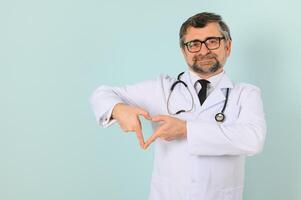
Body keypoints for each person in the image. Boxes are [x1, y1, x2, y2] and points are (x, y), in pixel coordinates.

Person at [90, 12, 267, 200]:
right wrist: (118, 109)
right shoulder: (162, 89)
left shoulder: (245, 94)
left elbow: (253, 139)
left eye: (212, 41)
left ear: (228, 46)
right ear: (184, 51)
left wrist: (186, 129)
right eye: (194, 44)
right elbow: (101, 94)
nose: (204, 50)